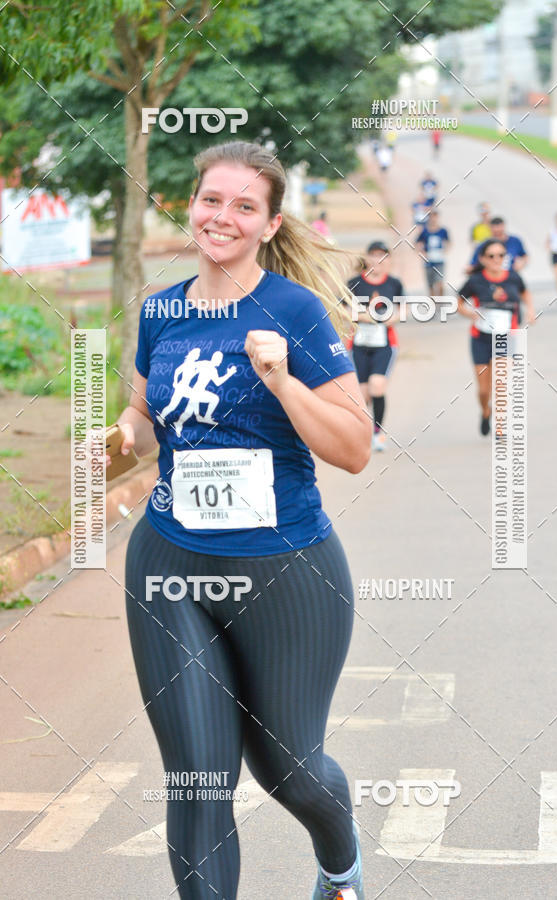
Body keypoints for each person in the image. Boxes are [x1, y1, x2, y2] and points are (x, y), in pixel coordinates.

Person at [108, 141, 371, 899]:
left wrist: (283, 380)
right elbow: (147, 411)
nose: (222, 216)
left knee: (289, 771)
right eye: (211, 200)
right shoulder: (162, 310)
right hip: (169, 563)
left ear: (269, 223)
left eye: (243, 206)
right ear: (191, 206)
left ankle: (339, 865)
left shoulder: (292, 311)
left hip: (285, 569)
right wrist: (125, 437)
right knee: (196, 778)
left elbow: (353, 448)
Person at [457, 238, 535, 436]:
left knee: (501, 382)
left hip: (506, 337)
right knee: (484, 390)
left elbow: (525, 293)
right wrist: (469, 313)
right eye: (491, 256)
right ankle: (485, 411)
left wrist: (530, 311)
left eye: (501, 255)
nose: (496, 259)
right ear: (483, 259)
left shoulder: (513, 277)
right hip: (481, 338)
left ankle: (500, 424)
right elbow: (458, 302)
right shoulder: (475, 281)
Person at [346, 240, 403, 452]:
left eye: (383, 256)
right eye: (374, 255)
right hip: (359, 343)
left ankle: (378, 433)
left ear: (388, 260)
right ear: (367, 257)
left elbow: (401, 310)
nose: (378, 260)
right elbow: (343, 310)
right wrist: (365, 316)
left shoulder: (394, 284)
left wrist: (389, 318)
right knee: (363, 393)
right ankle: (363, 432)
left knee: (377, 385)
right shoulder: (354, 283)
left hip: (384, 343)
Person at [416, 209, 451, 297]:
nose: (433, 219)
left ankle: (441, 300)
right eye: (431, 217)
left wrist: (445, 250)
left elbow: (449, 242)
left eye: (434, 216)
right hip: (429, 260)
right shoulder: (424, 231)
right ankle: (432, 303)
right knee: (430, 284)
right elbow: (417, 243)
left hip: (439, 260)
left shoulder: (443, 230)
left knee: (440, 282)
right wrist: (422, 253)